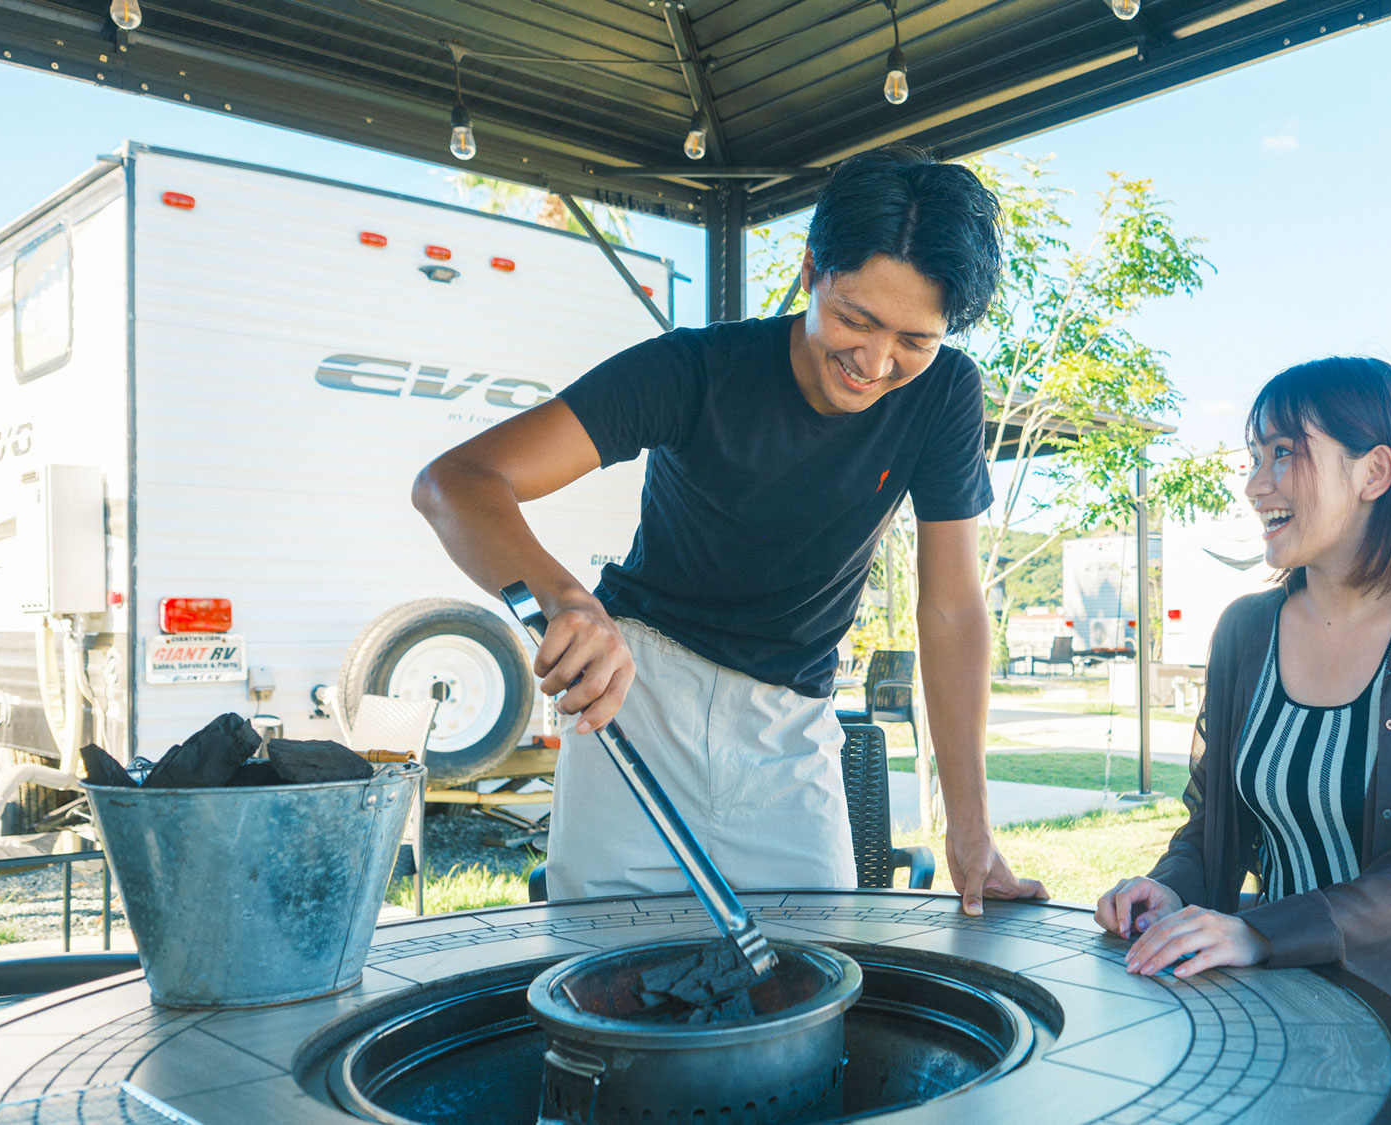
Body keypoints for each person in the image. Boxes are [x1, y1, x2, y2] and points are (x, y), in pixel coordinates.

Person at [413, 145, 1045, 914]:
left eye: (914, 341)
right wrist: (568, 601)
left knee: (812, 979)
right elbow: (456, 482)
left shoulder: (945, 395)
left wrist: (971, 830)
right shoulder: (698, 369)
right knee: (609, 976)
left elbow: (951, 607)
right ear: (811, 271)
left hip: (793, 730)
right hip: (636, 705)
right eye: (856, 319)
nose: (876, 363)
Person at [1093, 357, 1391, 1125]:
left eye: (1285, 452)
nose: (1256, 484)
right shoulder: (1245, 632)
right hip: (1275, 991)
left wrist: (1261, 930)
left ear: (1374, 471)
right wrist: (1173, 888)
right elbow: (1216, 821)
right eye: (1254, 457)